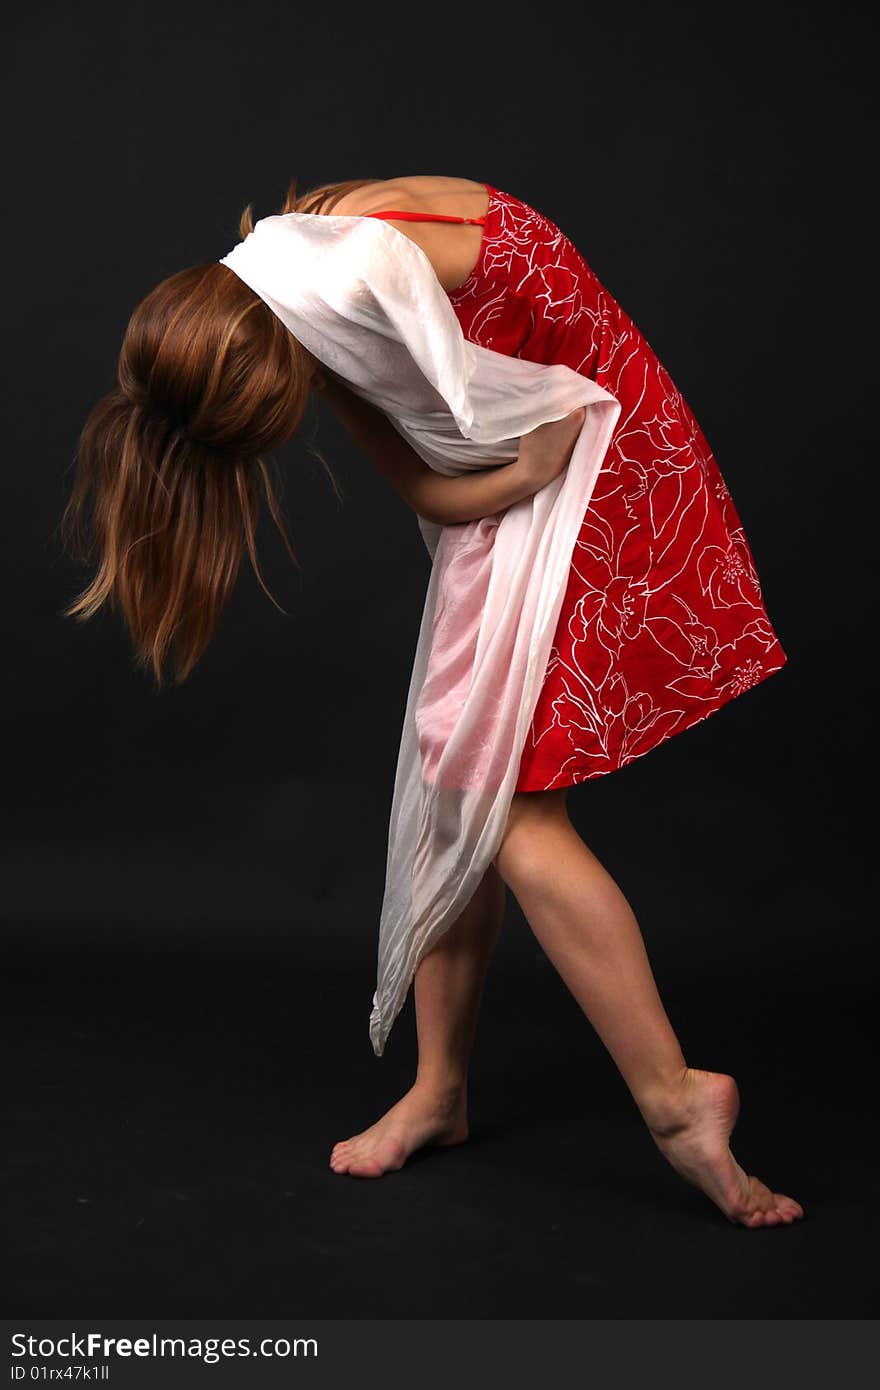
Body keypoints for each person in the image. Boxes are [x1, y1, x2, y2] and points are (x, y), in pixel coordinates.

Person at [60, 173, 802, 1229]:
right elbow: (427, 485)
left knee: (513, 816)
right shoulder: (310, 303)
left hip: (608, 458)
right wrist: (512, 474)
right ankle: (441, 1089)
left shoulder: (363, 263)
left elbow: (549, 333)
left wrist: (538, 455)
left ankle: (681, 1101)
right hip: (527, 482)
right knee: (460, 790)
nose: (318, 394)